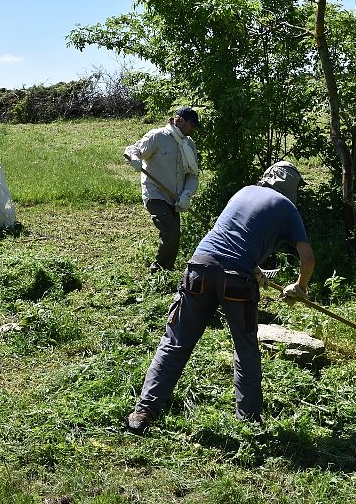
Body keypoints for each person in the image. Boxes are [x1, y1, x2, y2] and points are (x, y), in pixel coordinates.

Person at [124, 161, 315, 434]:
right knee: (246, 350)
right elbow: (307, 258)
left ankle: (142, 413)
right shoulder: (287, 207)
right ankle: (249, 424)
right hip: (236, 280)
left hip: (199, 269)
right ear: (291, 187)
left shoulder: (244, 191)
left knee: (175, 342)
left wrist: (255, 269)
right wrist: (300, 287)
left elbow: (231, 239)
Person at [124, 106, 200, 273]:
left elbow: (193, 175)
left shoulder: (189, 144)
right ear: (179, 120)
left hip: (176, 197)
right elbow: (133, 149)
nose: (193, 128)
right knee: (171, 231)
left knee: (174, 234)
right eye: (191, 124)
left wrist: (187, 194)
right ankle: (158, 270)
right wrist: (135, 159)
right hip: (155, 193)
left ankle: (167, 269)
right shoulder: (157, 136)